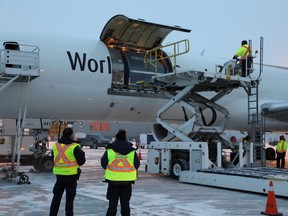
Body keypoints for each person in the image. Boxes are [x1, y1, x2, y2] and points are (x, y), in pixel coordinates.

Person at [101, 129, 140, 216]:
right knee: (125, 205)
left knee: (112, 205)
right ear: (126, 138)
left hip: (113, 181)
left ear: (116, 138)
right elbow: (137, 165)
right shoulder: (132, 151)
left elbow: (103, 164)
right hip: (127, 181)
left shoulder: (109, 150)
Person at [49, 128, 86, 216]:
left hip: (59, 176)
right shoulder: (74, 147)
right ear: (71, 136)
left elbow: (53, 159)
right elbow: (82, 161)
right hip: (71, 176)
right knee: (69, 200)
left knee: (56, 198)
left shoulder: (56, 146)